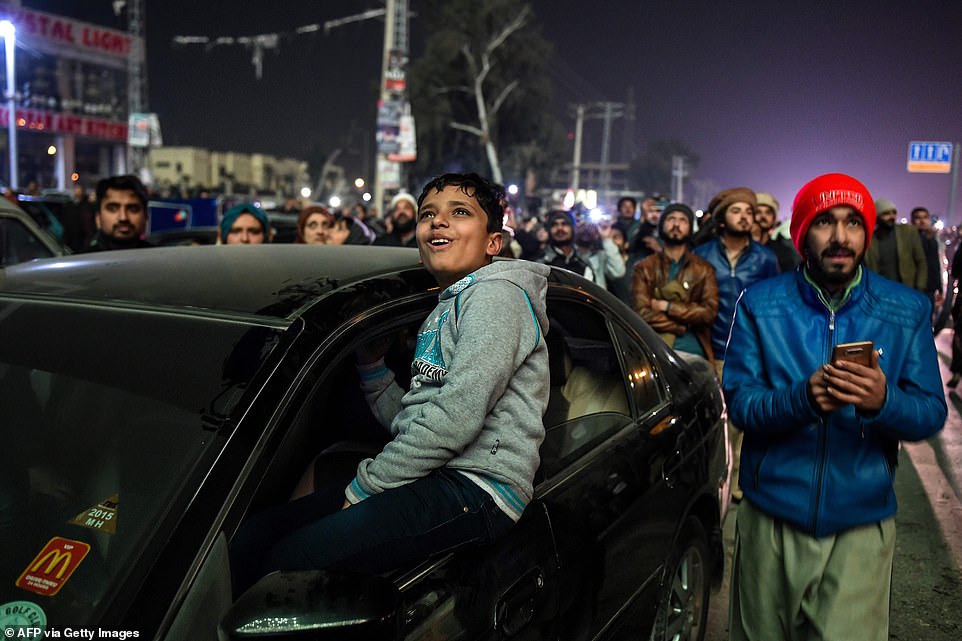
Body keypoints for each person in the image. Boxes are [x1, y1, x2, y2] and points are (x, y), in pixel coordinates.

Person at [231, 172, 550, 592]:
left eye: (460, 212)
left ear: (493, 242)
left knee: (290, 562)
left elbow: (456, 418)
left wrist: (367, 486)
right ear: (420, 246)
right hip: (435, 474)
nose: (439, 222)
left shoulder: (496, 297)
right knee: (253, 537)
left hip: (477, 488)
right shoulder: (445, 306)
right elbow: (417, 418)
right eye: (428, 215)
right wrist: (373, 367)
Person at [724, 172, 945, 641]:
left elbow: (930, 411)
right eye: (825, 222)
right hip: (771, 517)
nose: (841, 237)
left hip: (860, 522)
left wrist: (883, 401)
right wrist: (802, 399)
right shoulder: (760, 304)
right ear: (803, 232)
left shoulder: (905, 309)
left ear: (867, 233)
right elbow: (741, 404)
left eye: (853, 223)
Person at [694, 186, 778, 503]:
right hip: (709, 345)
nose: (745, 217)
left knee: (743, 418)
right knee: (713, 415)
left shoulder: (765, 259)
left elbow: (775, 305)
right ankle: (713, 477)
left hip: (750, 349)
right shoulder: (702, 256)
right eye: (736, 211)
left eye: (749, 212)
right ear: (721, 218)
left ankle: (740, 478)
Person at [632, 204, 718, 361]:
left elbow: (709, 313)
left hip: (694, 351)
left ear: (690, 228)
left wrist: (667, 307)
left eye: (683, 220)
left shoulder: (703, 269)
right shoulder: (644, 268)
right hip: (652, 347)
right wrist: (681, 325)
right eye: (671, 219)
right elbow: (641, 313)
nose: (676, 225)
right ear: (662, 225)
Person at [864, 197, 926, 291]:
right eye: (886, 214)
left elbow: (921, 261)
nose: (892, 216)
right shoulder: (869, 239)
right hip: (881, 291)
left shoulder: (908, 232)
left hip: (906, 289)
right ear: (877, 216)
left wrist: (920, 287)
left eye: (894, 213)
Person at [83, 175, 154, 252]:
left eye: (133, 209)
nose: (123, 217)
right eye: (112, 209)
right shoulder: (81, 261)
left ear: (146, 217)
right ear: (98, 218)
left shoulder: (160, 260)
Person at [536, 209, 593, 278]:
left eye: (564, 224)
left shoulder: (584, 263)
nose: (559, 228)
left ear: (573, 228)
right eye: (554, 224)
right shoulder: (540, 264)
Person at [753, 192, 801, 273]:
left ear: (774, 218)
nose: (763, 216)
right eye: (758, 212)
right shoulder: (739, 248)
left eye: (768, 212)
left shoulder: (783, 251)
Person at [574, 218, 626, 289]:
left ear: (597, 233)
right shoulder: (569, 255)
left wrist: (606, 239)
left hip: (595, 298)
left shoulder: (600, 256)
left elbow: (618, 272)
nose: (586, 230)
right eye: (582, 226)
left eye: (591, 227)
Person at [910, 206, 944, 314]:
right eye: (918, 218)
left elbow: (935, 264)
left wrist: (939, 287)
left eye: (925, 217)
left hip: (929, 288)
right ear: (912, 221)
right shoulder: (909, 239)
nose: (922, 221)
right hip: (912, 287)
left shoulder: (932, 240)